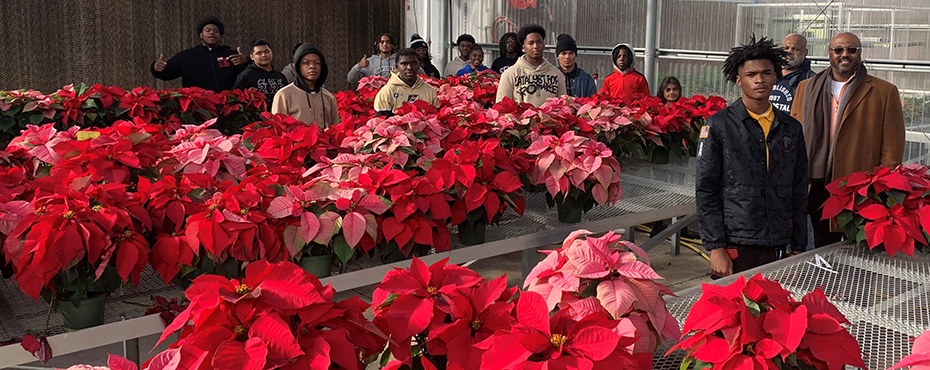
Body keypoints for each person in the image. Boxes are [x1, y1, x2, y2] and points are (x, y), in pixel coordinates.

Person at [696, 36, 808, 278]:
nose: (760, 79)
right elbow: (706, 189)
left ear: (776, 77)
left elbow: (798, 189)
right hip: (736, 242)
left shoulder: (791, 128)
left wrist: (799, 245)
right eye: (751, 74)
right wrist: (715, 247)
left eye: (767, 73)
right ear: (738, 80)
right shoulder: (718, 126)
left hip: (778, 241)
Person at [791, 32, 905, 248]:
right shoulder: (806, 88)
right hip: (816, 183)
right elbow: (794, 135)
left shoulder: (884, 91)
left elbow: (892, 147)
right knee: (822, 245)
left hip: (860, 186)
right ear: (829, 53)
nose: (845, 55)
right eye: (839, 50)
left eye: (852, 50)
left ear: (859, 53)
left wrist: (880, 188)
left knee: (859, 248)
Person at [151, 16, 248, 92]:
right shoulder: (187, 56)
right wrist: (157, 67)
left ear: (220, 36)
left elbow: (249, 74)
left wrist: (246, 61)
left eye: (216, 31)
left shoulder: (230, 55)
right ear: (201, 35)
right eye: (208, 30)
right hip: (198, 107)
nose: (212, 33)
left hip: (226, 104)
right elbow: (168, 72)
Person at [495, 24, 566, 107]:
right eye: (531, 43)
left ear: (544, 45)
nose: (535, 46)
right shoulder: (510, 74)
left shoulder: (557, 74)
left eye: (539, 42)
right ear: (524, 47)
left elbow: (563, 105)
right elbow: (501, 107)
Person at [271, 43, 339, 128]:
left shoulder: (328, 97)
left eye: (317, 63)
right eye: (306, 63)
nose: (312, 66)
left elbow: (334, 130)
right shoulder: (283, 96)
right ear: (297, 66)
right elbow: (277, 130)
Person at [374, 48, 439, 116]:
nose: (409, 67)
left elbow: (435, 119)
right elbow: (381, 123)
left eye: (413, 63)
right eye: (404, 64)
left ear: (419, 65)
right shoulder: (386, 92)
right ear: (397, 67)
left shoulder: (430, 91)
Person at [770, 34, 817, 113]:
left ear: (805, 52)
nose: (789, 52)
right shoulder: (769, 74)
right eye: (786, 48)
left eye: (795, 49)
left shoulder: (812, 81)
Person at [232, 39, 288, 105]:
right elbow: (234, 97)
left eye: (267, 51)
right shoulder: (246, 75)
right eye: (259, 53)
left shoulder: (280, 76)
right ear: (252, 57)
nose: (264, 55)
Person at [555, 34, 596, 98]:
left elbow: (592, 102)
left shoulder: (587, 79)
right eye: (563, 53)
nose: (567, 57)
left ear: (575, 55)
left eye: (571, 53)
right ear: (558, 56)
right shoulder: (551, 77)